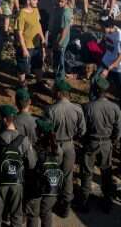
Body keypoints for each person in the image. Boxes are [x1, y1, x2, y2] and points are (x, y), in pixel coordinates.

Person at [76, 77, 121, 212]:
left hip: (91, 142)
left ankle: (84, 202)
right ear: (106, 91)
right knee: (106, 172)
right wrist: (113, 140)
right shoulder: (115, 107)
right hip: (106, 143)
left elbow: (82, 129)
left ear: (95, 90)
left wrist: (83, 140)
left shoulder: (87, 107)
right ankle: (107, 202)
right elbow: (119, 129)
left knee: (86, 172)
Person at [0, 104, 36, 227]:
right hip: (17, 182)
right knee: (16, 215)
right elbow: (32, 164)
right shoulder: (24, 140)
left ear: (4, 119)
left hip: (0, 182)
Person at [46, 78, 83, 218]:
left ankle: (51, 202)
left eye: (55, 90)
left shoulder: (51, 110)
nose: (53, 92)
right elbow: (82, 130)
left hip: (55, 145)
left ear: (60, 93)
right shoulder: (77, 109)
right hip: (69, 144)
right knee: (68, 176)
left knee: (53, 174)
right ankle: (66, 205)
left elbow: (47, 130)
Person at [96, 17, 121, 89]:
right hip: (107, 60)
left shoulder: (119, 37)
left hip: (119, 66)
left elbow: (120, 57)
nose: (101, 29)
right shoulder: (107, 31)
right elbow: (105, 40)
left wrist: (108, 69)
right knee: (95, 80)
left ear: (110, 27)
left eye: (103, 27)